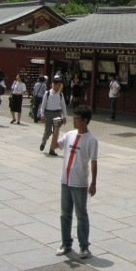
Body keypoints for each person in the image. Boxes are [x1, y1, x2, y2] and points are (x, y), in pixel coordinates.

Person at [51, 105, 98, 260]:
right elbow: (54, 146)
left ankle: (84, 247)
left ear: (85, 121)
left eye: (77, 119)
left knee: (81, 215)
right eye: (74, 118)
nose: (74, 121)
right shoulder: (70, 134)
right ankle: (66, 243)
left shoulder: (91, 140)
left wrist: (93, 183)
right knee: (65, 214)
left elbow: (93, 162)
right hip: (65, 180)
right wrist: (56, 129)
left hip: (79, 183)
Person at [39, 75, 67, 155]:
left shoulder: (60, 95)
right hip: (48, 114)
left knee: (56, 132)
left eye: (60, 85)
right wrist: (42, 114)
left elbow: (63, 106)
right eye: (57, 85)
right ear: (53, 84)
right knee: (47, 131)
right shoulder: (47, 93)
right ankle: (43, 142)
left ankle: (52, 149)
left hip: (57, 114)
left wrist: (64, 116)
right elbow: (43, 105)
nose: (59, 87)